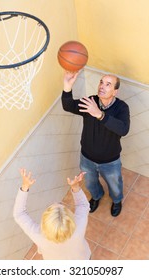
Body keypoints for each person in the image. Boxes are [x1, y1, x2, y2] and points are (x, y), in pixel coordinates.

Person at [61, 72, 130, 217]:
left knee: (115, 186)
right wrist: (67, 87)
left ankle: (117, 201)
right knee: (91, 184)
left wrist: (99, 114)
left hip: (110, 161)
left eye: (108, 84)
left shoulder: (121, 108)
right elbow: (68, 106)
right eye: (101, 82)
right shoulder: (90, 101)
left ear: (115, 91)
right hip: (87, 158)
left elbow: (123, 130)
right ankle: (97, 197)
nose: (102, 86)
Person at [13, 168, 91, 260]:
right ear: (70, 219)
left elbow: (19, 214)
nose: (56, 203)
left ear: (44, 223)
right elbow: (83, 205)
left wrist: (25, 186)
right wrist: (75, 186)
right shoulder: (79, 226)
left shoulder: (38, 236)